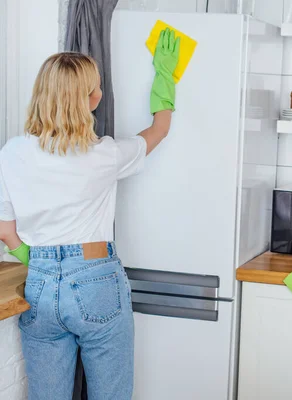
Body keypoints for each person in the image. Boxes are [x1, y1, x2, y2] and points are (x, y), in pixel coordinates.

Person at [0, 28, 180, 399]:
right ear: (91, 99)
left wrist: (31, 258)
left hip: (41, 282)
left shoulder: (12, 152)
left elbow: (5, 229)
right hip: (97, 281)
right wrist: (165, 77)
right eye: (96, 87)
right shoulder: (104, 154)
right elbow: (159, 130)